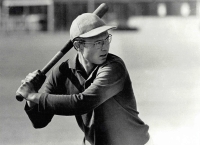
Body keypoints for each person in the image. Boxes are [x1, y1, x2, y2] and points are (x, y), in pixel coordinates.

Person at [17, 13, 150, 145]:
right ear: (78, 45)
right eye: (98, 42)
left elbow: (83, 103)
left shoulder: (114, 67)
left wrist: (32, 95)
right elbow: (40, 121)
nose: (104, 47)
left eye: (106, 39)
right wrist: (31, 99)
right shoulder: (63, 72)